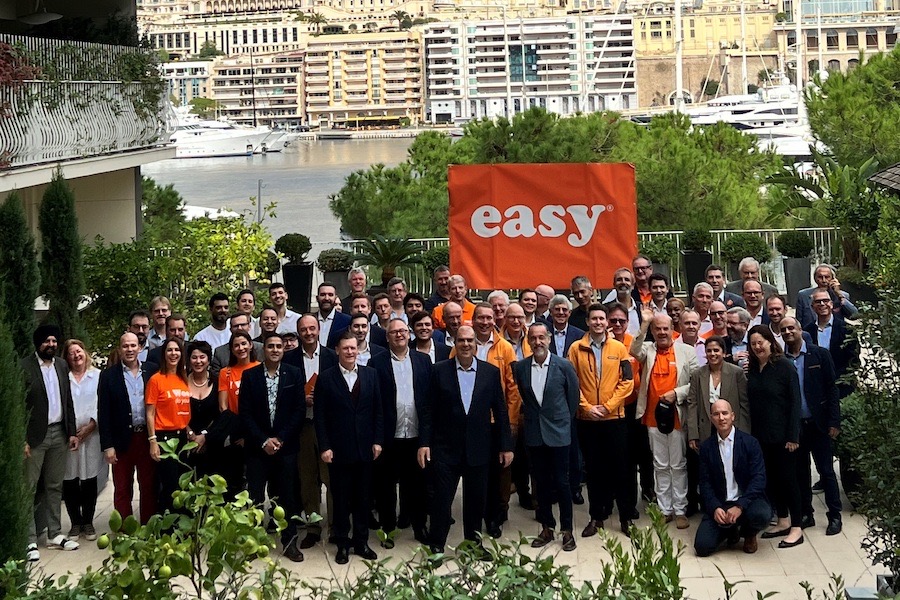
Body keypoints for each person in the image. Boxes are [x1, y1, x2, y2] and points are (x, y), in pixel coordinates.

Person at [418, 325, 514, 555]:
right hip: (445, 448)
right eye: (461, 340)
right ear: (455, 343)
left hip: (479, 449)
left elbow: (500, 412)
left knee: (476, 500)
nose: (466, 345)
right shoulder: (438, 371)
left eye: (470, 341)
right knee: (442, 500)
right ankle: (436, 545)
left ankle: (474, 545)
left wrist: (506, 446)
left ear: (476, 345)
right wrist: (424, 443)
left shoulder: (490, 373)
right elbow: (428, 410)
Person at [314, 332, 384, 564]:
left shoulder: (371, 375)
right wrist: (325, 446)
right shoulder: (326, 378)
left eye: (353, 348)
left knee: (363, 499)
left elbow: (378, 411)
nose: (350, 352)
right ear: (337, 350)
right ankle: (343, 544)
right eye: (345, 348)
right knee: (341, 499)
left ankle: (361, 542)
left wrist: (378, 440)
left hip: (365, 448)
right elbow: (320, 416)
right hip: (338, 450)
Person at [569, 303, 636, 536]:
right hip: (588, 420)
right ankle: (596, 517)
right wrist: (587, 407)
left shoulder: (619, 348)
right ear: (587, 322)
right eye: (594, 319)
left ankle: (626, 517)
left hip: (614, 418)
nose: (598, 322)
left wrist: (608, 406)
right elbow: (572, 382)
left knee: (621, 469)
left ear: (607, 322)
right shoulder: (576, 349)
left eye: (601, 319)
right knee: (594, 471)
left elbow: (627, 381)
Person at [514, 323, 580, 551]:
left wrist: (563, 421)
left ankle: (567, 530)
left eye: (542, 337)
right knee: (540, 483)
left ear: (549, 339)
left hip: (559, 432)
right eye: (533, 338)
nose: (538, 342)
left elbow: (573, 398)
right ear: (528, 341)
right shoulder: (521, 367)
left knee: (562, 482)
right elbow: (525, 397)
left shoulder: (564, 365)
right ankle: (546, 527)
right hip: (535, 433)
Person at [240, 333, 306, 562]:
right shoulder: (250, 376)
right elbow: (245, 413)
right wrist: (263, 441)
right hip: (257, 449)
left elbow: (299, 410)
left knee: (287, 497)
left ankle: (289, 542)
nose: (275, 349)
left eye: (279, 346)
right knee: (256, 498)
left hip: (285, 448)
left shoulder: (294, 373)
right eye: (271, 346)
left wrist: (280, 439)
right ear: (263, 349)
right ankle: (253, 544)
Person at [631, 310, 698, 529]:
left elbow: (696, 383)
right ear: (652, 331)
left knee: (678, 465)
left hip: (677, 415)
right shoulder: (648, 350)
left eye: (665, 328)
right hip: (652, 417)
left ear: (672, 330)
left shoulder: (687, 351)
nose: (661, 332)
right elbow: (633, 350)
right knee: (660, 465)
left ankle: (680, 509)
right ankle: (665, 509)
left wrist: (677, 393)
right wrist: (644, 323)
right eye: (657, 328)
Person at [369, 318, 432, 547]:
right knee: (386, 487)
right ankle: (388, 530)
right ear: (387, 338)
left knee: (417, 485)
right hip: (389, 436)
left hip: (415, 435)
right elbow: (374, 404)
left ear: (409, 334)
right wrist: (376, 438)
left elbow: (429, 404)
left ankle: (419, 526)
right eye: (394, 332)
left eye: (403, 331)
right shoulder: (376, 362)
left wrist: (426, 439)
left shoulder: (423, 360)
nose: (399, 335)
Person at [780, 317, 843, 536]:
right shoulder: (781, 360)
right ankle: (807, 514)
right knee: (801, 473)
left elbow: (832, 388)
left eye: (791, 328)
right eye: (783, 330)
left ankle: (835, 515)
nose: (788, 332)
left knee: (826, 471)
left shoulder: (819, 355)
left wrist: (834, 421)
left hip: (819, 424)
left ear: (800, 330)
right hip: (796, 427)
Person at [23, 325, 80, 560]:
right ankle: (29, 539)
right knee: (29, 488)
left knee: (55, 486)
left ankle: (55, 533)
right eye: (47, 341)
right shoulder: (24, 367)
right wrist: (22, 439)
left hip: (60, 434)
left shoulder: (62, 365)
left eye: (54, 341)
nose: (51, 345)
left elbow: (68, 400)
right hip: (35, 437)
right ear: (38, 343)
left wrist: (72, 431)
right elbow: (18, 405)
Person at [284, 314, 338, 549]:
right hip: (302, 427)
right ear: (299, 332)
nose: (308, 333)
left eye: (312, 328)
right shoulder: (289, 359)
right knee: (307, 479)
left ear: (318, 330)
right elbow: (284, 394)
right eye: (304, 329)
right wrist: (301, 399)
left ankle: (335, 526)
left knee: (331, 478)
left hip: (328, 426)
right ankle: (314, 527)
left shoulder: (331, 356)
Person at [746, 324, 804, 548]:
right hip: (762, 437)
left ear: (770, 342)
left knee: (789, 481)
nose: (757, 347)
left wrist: (793, 436)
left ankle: (797, 527)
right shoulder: (753, 368)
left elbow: (795, 402)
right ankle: (782, 519)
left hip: (784, 438)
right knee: (772, 480)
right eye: (753, 344)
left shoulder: (784, 366)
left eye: (760, 342)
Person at [694, 400, 770, 557]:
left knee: (761, 514)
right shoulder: (706, 448)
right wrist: (715, 507)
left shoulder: (750, 443)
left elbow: (759, 479)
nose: (721, 418)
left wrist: (740, 505)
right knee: (702, 547)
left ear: (733, 416)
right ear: (711, 418)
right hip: (721, 504)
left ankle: (749, 534)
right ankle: (730, 530)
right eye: (716, 414)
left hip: (746, 502)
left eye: (725, 413)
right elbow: (705, 483)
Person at [98, 333, 158, 527]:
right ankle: (125, 529)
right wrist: (108, 445)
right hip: (121, 439)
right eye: (125, 346)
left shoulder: (152, 370)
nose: (130, 349)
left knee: (148, 485)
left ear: (139, 348)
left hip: (146, 437)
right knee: (123, 487)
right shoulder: (108, 376)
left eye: (133, 345)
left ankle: (148, 527)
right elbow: (104, 412)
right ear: (120, 349)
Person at [608, 302, 654, 510]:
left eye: (621, 321)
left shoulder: (634, 342)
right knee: (621, 455)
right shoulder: (604, 343)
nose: (617, 324)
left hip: (635, 405)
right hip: (612, 408)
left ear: (627, 322)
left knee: (643, 451)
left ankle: (648, 489)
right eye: (613, 320)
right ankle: (624, 499)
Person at [145, 337, 192, 514]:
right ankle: (167, 525)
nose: (174, 354)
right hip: (164, 438)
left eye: (177, 350)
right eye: (169, 350)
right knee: (169, 486)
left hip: (183, 438)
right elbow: (150, 413)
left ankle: (183, 524)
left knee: (183, 485)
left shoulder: (184, 379)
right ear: (164, 354)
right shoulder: (156, 380)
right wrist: (152, 441)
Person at [62, 340, 102, 542]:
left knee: (89, 479)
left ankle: (88, 521)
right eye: (71, 353)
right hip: (69, 436)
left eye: (79, 351)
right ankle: (75, 523)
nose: (76, 356)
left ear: (85, 353)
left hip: (92, 433)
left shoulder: (98, 376)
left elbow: (101, 402)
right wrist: (73, 432)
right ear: (66, 358)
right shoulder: (64, 378)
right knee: (70, 478)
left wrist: (91, 426)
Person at [217, 331, 261, 497]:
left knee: (256, 479)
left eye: (244, 344)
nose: (241, 348)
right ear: (231, 349)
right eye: (236, 345)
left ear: (251, 345)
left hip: (256, 432)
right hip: (235, 432)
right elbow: (223, 406)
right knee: (235, 480)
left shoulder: (260, 368)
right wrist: (237, 432)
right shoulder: (226, 372)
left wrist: (250, 434)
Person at [686, 336, 750, 450]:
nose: (712, 354)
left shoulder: (737, 373)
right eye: (709, 351)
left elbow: (744, 405)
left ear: (724, 353)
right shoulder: (697, 375)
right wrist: (693, 434)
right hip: (705, 428)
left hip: (731, 426)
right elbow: (692, 405)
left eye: (716, 350)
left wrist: (744, 433)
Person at [804, 288, 859, 399]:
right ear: (812, 307)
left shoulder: (847, 329)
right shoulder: (807, 332)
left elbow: (854, 360)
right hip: (817, 389)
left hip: (843, 388)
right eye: (818, 301)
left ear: (831, 304)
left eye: (825, 300)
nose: (822, 304)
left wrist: (836, 378)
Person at [184, 341, 220, 480]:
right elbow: (176, 411)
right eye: (194, 357)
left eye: (202, 357)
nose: (198, 361)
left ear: (209, 360)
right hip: (185, 442)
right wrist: (190, 433)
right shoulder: (181, 382)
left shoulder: (218, 382)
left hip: (212, 443)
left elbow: (222, 413)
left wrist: (205, 436)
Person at [795, 264, 859, 329]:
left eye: (827, 277)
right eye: (820, 277)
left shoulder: (842, 295)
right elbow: (798, 321)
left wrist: (839, 294)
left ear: (833, 278)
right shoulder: (803, 295)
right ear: (815, 278)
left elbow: (854, 315)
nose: (824, 280)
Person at [601, 268, 641, 335]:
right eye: (619, 280)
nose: (623, 282)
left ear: (633, 286)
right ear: (614, 285)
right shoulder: (605, 309)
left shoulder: (642, 308)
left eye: (627, 279)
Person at [315, 282, 351, 348]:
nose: (326, 298)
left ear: (335, 298)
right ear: (317, 298)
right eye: (323, 295)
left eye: (330, 295)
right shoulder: (310, 320)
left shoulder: (347, 321)